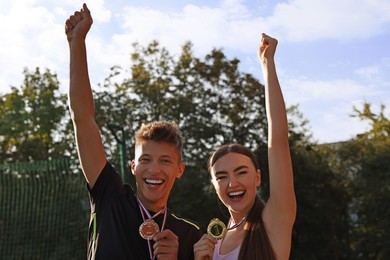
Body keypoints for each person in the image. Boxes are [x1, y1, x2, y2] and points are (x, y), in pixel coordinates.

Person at [65, 4, 202, 260]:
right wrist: (77, 43)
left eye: (165, 161)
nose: (154, 170)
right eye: (146, 160)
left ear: (179, 170)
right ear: (133, 166)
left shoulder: (190, 237)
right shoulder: (109, 198)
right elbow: (83, 119)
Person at [193, 34, 296, 260]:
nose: (233, 183)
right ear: (214, 185)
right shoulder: (213, 243)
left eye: (241, 172)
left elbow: (278, 140)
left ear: (258, 178)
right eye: (221, 176)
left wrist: (267, 64)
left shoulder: (273, 223)